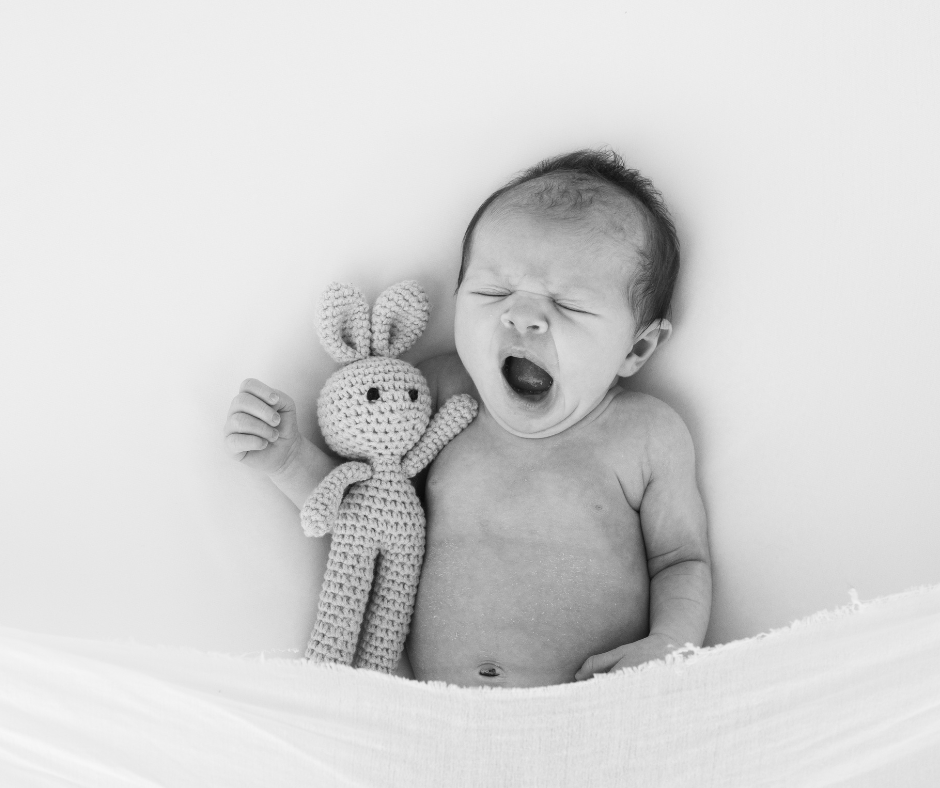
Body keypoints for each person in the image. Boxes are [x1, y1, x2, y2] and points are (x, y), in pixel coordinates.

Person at [222, 149, 711, 688]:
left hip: (589, 711)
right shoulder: (434, 394)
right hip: (434, 715)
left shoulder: (646, 434)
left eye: (569, 304)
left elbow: (681, 561)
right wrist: (289, 459)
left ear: (637, 347)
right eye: (494, 291)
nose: (521, 317)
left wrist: (669, 646)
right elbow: (368, 512)